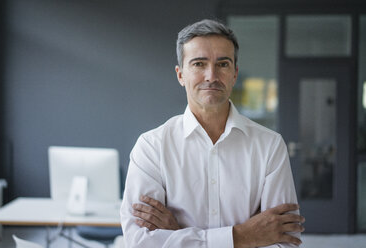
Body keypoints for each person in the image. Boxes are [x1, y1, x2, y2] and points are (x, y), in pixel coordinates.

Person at [120, 19, 305, 248]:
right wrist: (244, 236)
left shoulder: (270, 146)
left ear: (235, 74)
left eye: (223, 64)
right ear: (180, 75)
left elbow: (284, 242)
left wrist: (178, 235)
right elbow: (139, 243)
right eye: (199, 64)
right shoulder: (151, 147)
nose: (211, 76)